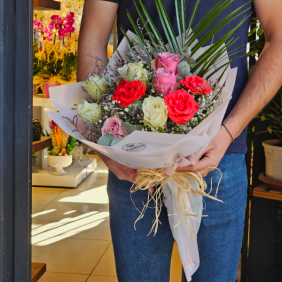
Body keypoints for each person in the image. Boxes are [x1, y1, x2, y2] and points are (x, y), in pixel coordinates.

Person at [78, 0, 282, 281]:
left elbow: (279, 36)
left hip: (217, 157)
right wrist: (101, 132)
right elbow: (93, 36)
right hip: (133, 158)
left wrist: (228, 132)